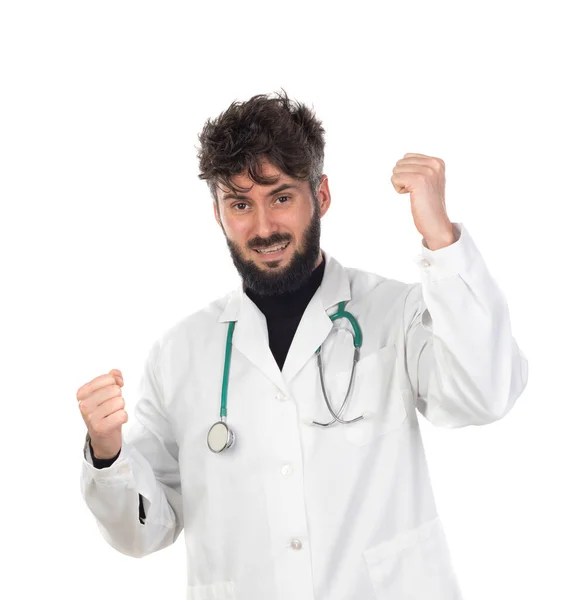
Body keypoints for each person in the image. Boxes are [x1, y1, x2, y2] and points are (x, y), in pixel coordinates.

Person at [77, 90, 528, 600]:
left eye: (282, 197)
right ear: (217, 213)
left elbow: (486, 394)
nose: (264, 227)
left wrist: (442, 241)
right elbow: (142, 531)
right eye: (240, 204)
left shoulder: (392, 314)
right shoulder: (180, 353)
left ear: (323, 196)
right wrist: (108, 454)